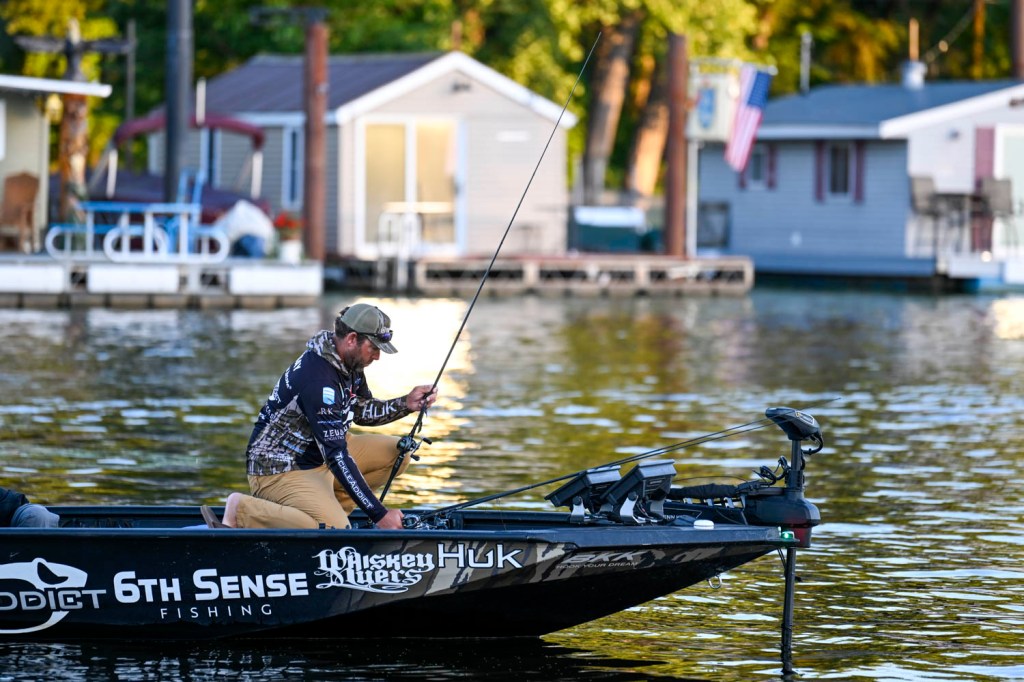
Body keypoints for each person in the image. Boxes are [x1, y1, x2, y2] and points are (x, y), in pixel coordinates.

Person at [202, 303, 436, 530]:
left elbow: (360, 411)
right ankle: (242, 510)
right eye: (373, 348)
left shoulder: (348, 363)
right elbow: (336, 456)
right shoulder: (318, 381)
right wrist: (380, 515)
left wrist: (406, 403)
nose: (377, 356)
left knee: (398, 454)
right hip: (281, 469)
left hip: (320, 455)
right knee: (334, 530)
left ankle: (329, 511)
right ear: (352, 339)